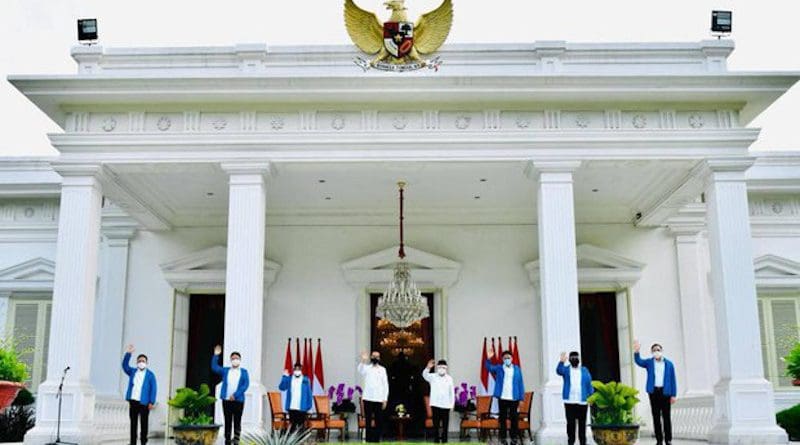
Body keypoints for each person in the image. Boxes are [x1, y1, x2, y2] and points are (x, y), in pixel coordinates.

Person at [634, 340, 677, 445]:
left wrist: (673, 395)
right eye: (654, 350)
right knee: (656, 416)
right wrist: (636, 351)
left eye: (658, 350)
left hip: (665, 392)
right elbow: (639, 361)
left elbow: (673, 380)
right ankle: (659, 440)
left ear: (662, 351)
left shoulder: (669, 364)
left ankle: (668, 439)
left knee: (666, 417)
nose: (656, 352)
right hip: (654, 392)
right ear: (651, 352)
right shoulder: (649, 362)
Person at [211, 345, 250, 445]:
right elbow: (214, 367)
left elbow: (245, 385)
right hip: (227, 400)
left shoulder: (244, 372)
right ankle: (227, 439)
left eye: (236, 358)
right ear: (230, 360)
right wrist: (216, 355)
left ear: (240, 360)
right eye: (233, 359)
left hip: (238, 400)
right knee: (227, 420)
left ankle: (236, 439)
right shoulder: (226, 370)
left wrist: (236, 395)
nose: (235, 360)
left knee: (237, 420)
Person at [485, 350, 525, 445]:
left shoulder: (517, 369)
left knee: (514, 419)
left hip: (514, 398)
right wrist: (488, 358)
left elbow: (520, 383)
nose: (507, 359)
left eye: (509, 357)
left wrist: (521, 398)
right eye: (505, 358)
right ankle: (503, 438)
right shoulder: (499, 368)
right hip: (502, 397)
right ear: (503, 359)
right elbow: (489, 367)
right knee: (502, 419)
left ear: (512, 358)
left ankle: (513, 438)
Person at [121, 344, 157, 445]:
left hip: (144, 403)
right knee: (133, 423)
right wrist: (128, 353)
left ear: (146, 363)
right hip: (133, 401)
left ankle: (143, 442)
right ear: (137, 362)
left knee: (144, 424)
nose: (141, 362)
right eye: (139, 361)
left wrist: (151, 401)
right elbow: (124, 366)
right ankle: (133, 442)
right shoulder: (133, 372)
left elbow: (154, 389)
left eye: (143, 361)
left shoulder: (150, 375)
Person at [556, 351, 594, 445]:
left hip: (582, 402)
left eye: (576, 358)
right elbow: (559, 371)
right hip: (569, 401)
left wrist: (591, 396)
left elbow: (589, 384)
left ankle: (583, 442)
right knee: (571, 424)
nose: (574, 360)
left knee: (582, 424)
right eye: (572, 358)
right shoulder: (566, 370)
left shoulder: (584, 370)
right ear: (569, 360)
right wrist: (561, 361)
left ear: (579, 359)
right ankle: (571, 442)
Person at [357, 350, 389, 443]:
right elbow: (360, 369)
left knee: (379, 420)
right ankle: (368, 440)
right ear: (371, 357)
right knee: (368, 420)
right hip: (367, 398)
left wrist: (385, 399)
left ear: (379, 358)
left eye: (377, 356)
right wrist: (363, 360)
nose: (375, 358)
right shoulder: (366, 368)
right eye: (373, 356)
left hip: (379, 399)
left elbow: (385, 385)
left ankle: (376, 440)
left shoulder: (382, 369)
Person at [421, 359, 455, 443]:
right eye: (439, 367)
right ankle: (436, 440)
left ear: (446, 368)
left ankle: (444, 440)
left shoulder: (449, 378)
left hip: (446, 405)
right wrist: (428, 367)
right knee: (435, 425)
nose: (441, 369)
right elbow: (424, 375)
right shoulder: (433, 377)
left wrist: (452, 404)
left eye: (443, 367)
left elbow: (452, 392)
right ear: (437, 368)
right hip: (435, 404)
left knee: (445, 425)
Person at [279, 362, 313, 432]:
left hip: (302, 407)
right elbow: (282, 387)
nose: (297, 370)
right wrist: (284, 377)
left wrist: (309, 406)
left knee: (301, 426)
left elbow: (309, 394)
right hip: (292, 407)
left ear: (301, 370)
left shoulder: (305, 380)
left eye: (299, 369)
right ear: (293, 369)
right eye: (296, 369)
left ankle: (301, 441)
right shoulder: (289, 379)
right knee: (292, 426)